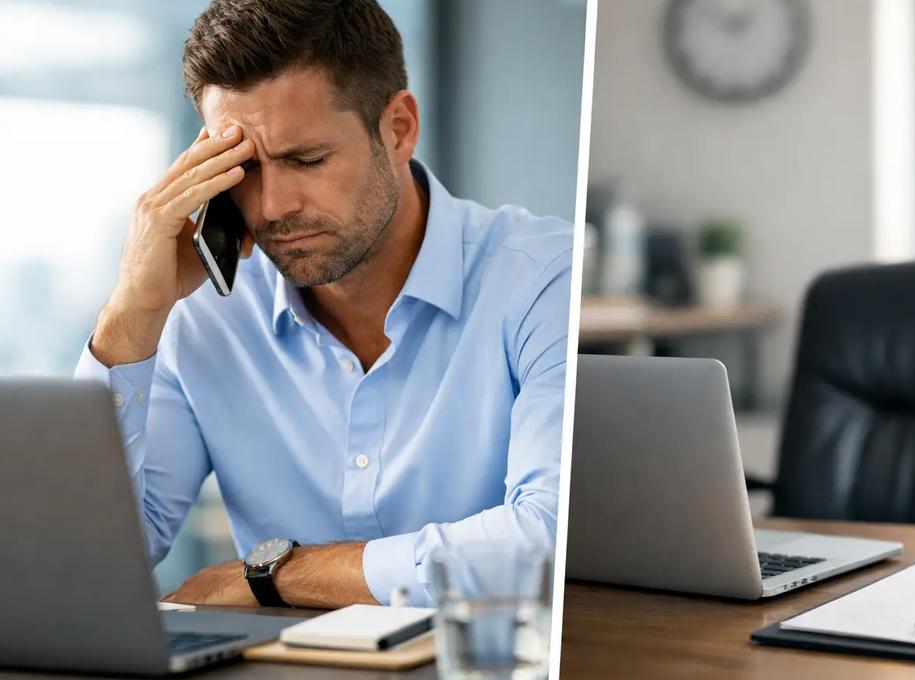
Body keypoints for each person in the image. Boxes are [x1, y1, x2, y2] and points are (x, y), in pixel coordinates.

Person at [74, 0, 571, 609]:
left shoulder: (544, 279)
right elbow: (86, 558)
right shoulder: (206, 308)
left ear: (399, 128)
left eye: (306, 160)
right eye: (244, 169)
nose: (272, 206)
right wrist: (133, 312)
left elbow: (548, 538)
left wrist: (277, 575)